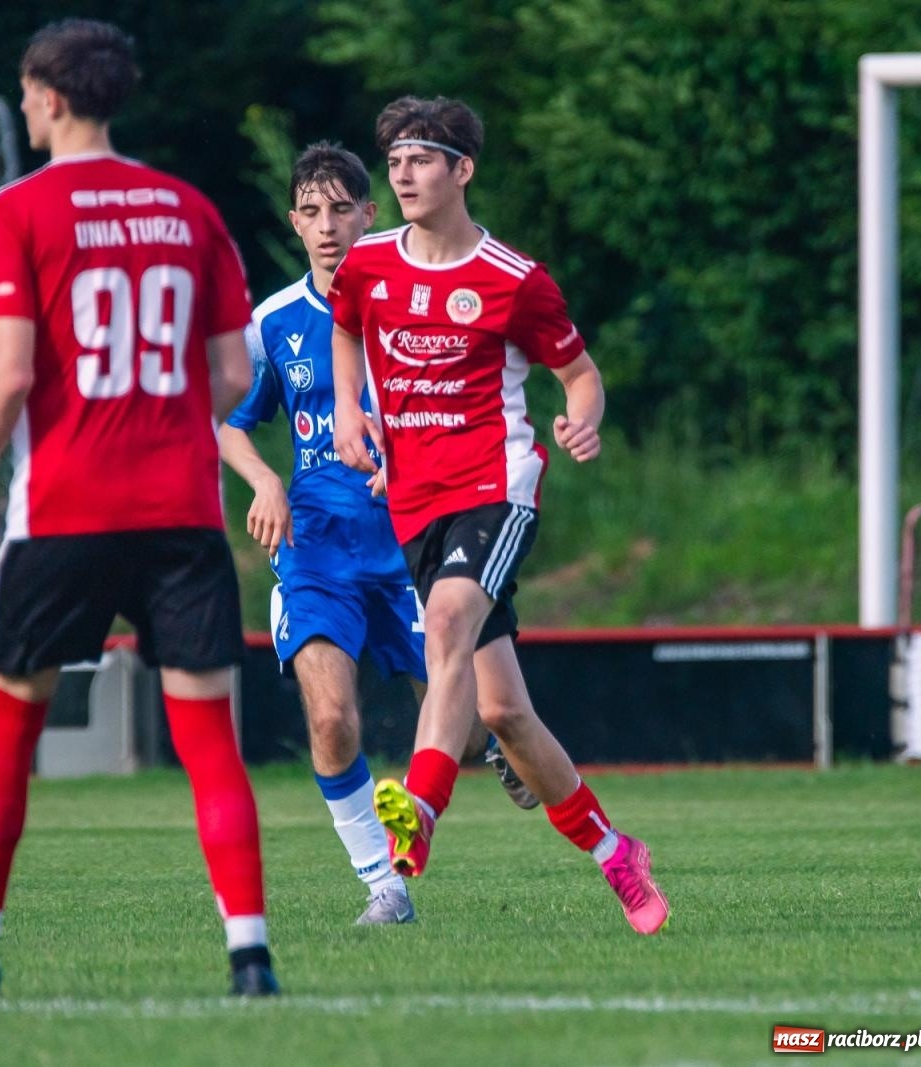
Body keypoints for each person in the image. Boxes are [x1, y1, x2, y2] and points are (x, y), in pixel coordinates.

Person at [0, 18, 279, 996]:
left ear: (54, 97)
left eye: (29, 91)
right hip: (181, 513)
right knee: (207, 737)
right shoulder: (190, 210)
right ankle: (249, 955)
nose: (26, 105)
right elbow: (234, 369)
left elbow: (12, 372)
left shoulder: (17, 209)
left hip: (65, 511)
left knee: (10, 721)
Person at [328, 96, 669, 934]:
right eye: (395, 160)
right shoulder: (369, 265)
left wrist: (581, 415)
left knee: (445, 622)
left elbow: (579, 373)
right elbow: (346, 330)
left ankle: (420, 816)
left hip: (496, 485)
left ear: (462, 170)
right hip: (413, 502)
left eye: (421, 158)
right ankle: (615, 852)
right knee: (504, 714)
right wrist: (347, 411)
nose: (403, 173)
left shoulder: (515, 281)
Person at [218, 142, 537, 927]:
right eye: (311, 212)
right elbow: (225, 420)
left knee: (468, 719)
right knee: (331, 717)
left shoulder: (413, 299)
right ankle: (383, 885)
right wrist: (263, 481)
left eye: (342, 210)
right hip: (318, 548)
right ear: (295, 221)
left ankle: (502, 743)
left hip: (415, 540)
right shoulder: (275, 323)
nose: (327, 228)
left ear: (371, 214)